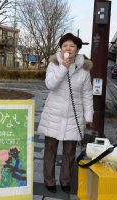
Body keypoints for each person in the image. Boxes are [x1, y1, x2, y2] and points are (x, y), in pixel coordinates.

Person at [37, 33, 93, 193]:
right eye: (64, 45)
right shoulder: (54, 64)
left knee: (69, 151)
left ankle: (66, 180)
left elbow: (87, 94)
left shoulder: (84, 69)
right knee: (50, 150)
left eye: (72, 46)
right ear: (60, 48)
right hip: (53, 114)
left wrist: (88, 116)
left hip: (73, 116)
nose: (68, 48)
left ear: (78, 49)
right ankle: (49, 180)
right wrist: (64, 67)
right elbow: (50, 85)